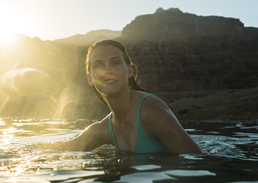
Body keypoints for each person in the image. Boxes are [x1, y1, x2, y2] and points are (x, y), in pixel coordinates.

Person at [54, 39, 202, 154]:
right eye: (98, 65)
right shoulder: (104, 129)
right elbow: (61, 149)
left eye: (115, 63)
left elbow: (196, 161)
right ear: (90, 79)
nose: (107, 71)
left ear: (129, 71)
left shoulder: (151, 111)